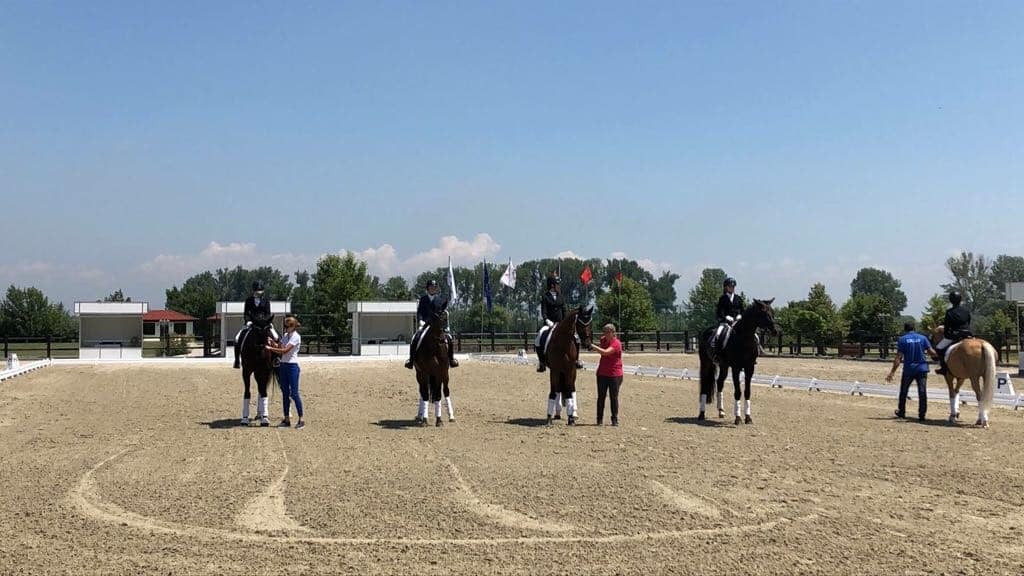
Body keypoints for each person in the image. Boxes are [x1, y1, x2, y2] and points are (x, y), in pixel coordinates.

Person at [886, 320, 936, 421]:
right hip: (922, 368)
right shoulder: (923, 338)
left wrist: (892, 372)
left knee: (904, 391)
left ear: (905, 329)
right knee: (922, 391)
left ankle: (902, 412)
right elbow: (932, 352)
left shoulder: (902, 339)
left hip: (909, 369)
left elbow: (898, 357)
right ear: (914, 328)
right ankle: (922, 414)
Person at [405, 280, 459, 369]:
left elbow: (443, 313)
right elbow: (419, 312)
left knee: (449, 338)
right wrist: (420, 320)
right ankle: (411, 360)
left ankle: (451, 359)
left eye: (434, 287)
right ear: (428, 289)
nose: (433, 289)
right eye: (431, 287)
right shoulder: (423, 299)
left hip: (437, 325)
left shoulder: (439, 300)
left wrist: (445, 325)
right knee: (414, 338)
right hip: (425, 324)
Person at [535, 276, 583, 372]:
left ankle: (576, 360)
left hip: (561, 323)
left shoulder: (561, 296)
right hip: (549, 323)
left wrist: (565, 322)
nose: (559, 286)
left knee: (576, 338)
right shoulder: (545, 296)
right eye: (557, 284)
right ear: (552, 285)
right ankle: (542, 362)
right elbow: (543, 311)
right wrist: (547, 320)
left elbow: (564, 311)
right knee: (538, 338)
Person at [267, 316, 305, 429]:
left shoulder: (296, 337)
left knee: (294, 393)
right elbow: (279, 346)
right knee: (285, 393)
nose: (285, 328)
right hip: (283, 365)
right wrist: (272, 342)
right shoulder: (285, 336)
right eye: (284, 326)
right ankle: (286, 418)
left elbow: (284, 351)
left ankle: (301, 419)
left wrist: (270, 348)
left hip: (292, 366)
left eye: (287, 326)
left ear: (292, 327)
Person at [234, 280, 279, 369]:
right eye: (258, 291)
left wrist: (266, 321)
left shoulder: (266, 301)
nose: (259, 293)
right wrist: (248, 321)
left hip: (264, 323)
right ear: (254, 291)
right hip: (252, 323)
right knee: (237, 338)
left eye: (261, 291)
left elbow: (268, 313)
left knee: (276, 337)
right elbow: (246, 313)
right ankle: (237, 361)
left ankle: (276, 358)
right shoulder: (248, 300)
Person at [590, 323, 624, 426]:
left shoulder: (616, 343)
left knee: (613, 397)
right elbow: (601, 347)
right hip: (602, 373)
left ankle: (614, 419)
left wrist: (592, 346)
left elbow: (605, 352)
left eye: (607, 332)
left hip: (615, 374)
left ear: (613, 333)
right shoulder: (603, 340)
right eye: (604, 332)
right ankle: (599, 419)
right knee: (601, 397)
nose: (605, 334)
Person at [934, 291, 972, 375]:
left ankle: (943, 368)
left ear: (951, 300)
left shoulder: (949, 312)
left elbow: (947, 326)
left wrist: (947, 334)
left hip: (955, 335)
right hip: (967, 334)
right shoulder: (966, 310)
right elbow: (968, 322)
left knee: (939, 348)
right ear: (960, 300)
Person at [710, 277, 744, 359]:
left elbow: (742, 310)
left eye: (733, 287)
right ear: (726, 287)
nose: (732, 288)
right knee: (718, 334)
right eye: (730, 286)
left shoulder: (738, 298)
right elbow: (719, 312)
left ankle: (753, 352)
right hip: (725, 323)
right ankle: (717, 354)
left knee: (752, 334)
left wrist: (740, 315)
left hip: (737, 322)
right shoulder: (722, 299)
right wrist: (726, 317)